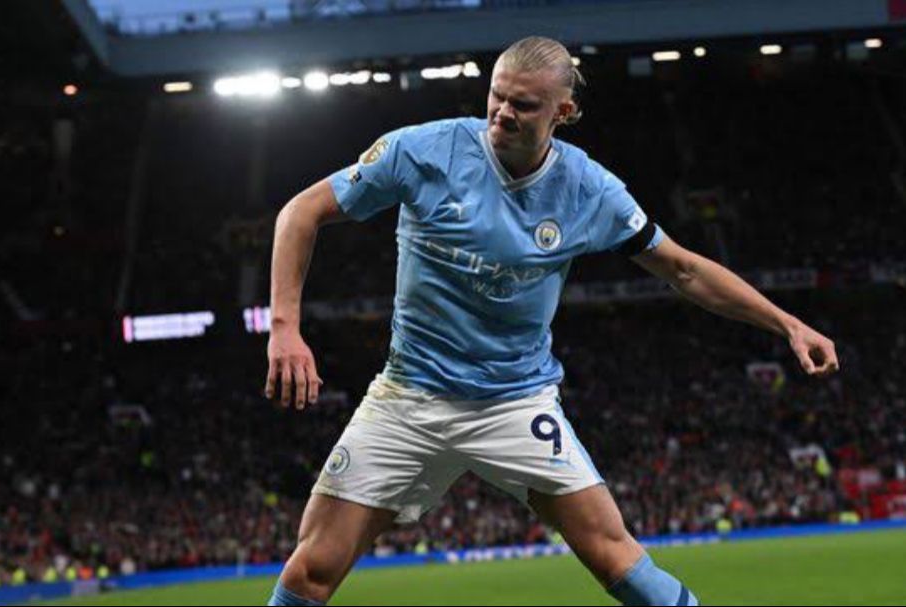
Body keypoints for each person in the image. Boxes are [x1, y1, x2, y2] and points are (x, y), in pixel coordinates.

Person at [264, 36, 839, 606]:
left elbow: (684, 270)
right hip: (408, 398)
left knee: (618, 557)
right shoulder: (422, 152)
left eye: (524, 105)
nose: (503, 114)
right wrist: (285, 327)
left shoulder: (591, 190)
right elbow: (301, 211)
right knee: (312, 568)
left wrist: (786, 323)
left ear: (563, 112)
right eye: (497, 97)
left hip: (515, 402)